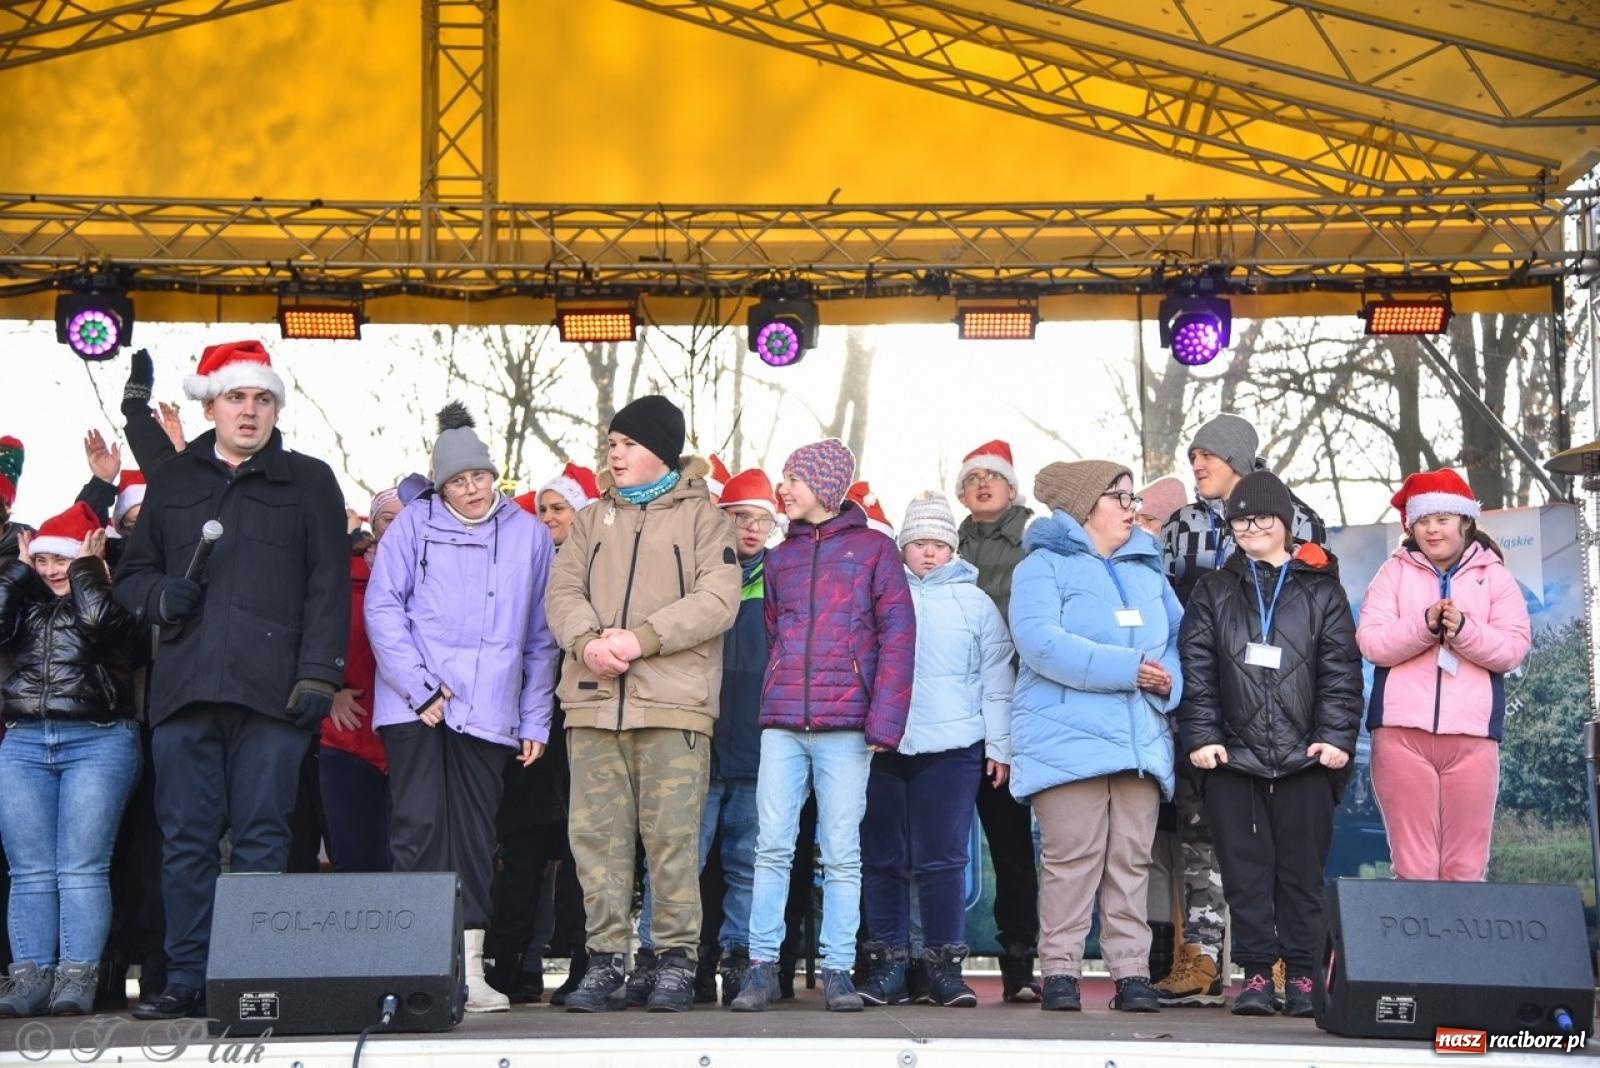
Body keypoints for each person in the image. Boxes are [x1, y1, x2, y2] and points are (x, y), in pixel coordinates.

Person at [114, 340, 350, 1021]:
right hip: (184, 692)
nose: (250, 410)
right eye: (236, 397)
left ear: (276, 408)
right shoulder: (173, 482)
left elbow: (328, 586)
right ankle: (186, 977)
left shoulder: (310, 481)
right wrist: (159, 597)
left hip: (273, 697)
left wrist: (320, 674)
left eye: (262, 398)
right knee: (185, 842)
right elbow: (132, 575)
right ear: (210, 406)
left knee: (263, 839)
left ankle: (251, 978)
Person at [544, 395, 741, 1014]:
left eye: (628, 443)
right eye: (612, 444)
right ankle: (605, 960)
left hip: (673, 705)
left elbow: (718, 600)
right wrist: (586, 643)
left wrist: (640, 640)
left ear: (660, 449)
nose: (616, 454)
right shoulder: (589, 520)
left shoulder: (706, 518)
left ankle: (675, 960)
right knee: (596, 841)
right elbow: (562, 591)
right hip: (593, 704)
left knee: (673, 840)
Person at [366, 404, 560, 1014]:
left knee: (476, 834)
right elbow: (382, 607)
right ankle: (417, 962)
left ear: (494, 475)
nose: (471, 489)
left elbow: (541, 638)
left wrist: (534, 718)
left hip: (489, 705)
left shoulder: (529, 534)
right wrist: (419, 687)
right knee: (418, 827)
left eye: (479, 476)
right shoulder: (412, 525)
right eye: (457, 481)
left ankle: (470, 969)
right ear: (440, 485)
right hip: (415, 704)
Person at [731, 437, 915, 1014]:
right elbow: (775, 634)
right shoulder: (780, 558)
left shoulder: (875, 551)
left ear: (825, 486)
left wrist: (884, 722)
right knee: (771, 847)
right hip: (783, 723)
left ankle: (838, 969)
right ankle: (761, 967)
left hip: (846, 727)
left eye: (793, 479)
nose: (783, 489)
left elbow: (898, 638)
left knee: (841, 852)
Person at [1176, 471, 1363, 1017]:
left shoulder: (1322, 588)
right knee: (1245, 875)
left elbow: (1341, 672)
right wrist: (1203, 736)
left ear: (1284, 521)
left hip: (1307, 760)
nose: (1250, 527)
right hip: (1233, 760)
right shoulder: (1213, 589)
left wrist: (1335, 738)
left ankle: (1302, 976)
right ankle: (1256, 974)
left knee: (1301, 876)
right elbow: (1197, 669)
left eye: (1261, 517)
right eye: (1239, 520)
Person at [1155, 413, 1325, 1009]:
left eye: (1208, 454)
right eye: (1193, 455)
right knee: (1201, 835)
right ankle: (1203, 960)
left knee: (1278, 848)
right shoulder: (1180, 526)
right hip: (1208, 707)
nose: (1197, 464)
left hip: (1283, 713)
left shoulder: (1300, 517)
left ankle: (1277, 965)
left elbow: (1318, 616)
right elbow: (1164, 610)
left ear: (1238, 458)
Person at [1010, 461, 1182, 1014]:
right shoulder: (1042, 566)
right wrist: (1129, 669)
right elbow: (1039, 642)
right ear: (1086, 505)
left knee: (1131, 862)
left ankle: (1132, 974)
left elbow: (1177, 641)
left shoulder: (1149, 571)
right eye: (1120, 497)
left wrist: (1169, 683)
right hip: (1067, 743)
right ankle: (1060, 970)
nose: (1133, 508)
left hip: (1139, 742)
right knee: (1072, 861)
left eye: (1133, 498)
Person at [858, 492, 1012, 1009]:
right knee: (883, 858)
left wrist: (999, 745)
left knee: (943, 860)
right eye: (919, 542)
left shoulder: (975, 603)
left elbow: (996, 680)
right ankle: (889, 966)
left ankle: (943, 967)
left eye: (939, 544)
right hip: (882, 747)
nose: (929, 552)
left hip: (953, 749)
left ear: (953, 549)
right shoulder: (879, 594)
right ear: (902, 546)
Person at [0, 504, 144, 1016]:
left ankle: (77, 975)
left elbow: (100, 622)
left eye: (60, 560)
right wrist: (16, 573)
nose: (50, 570)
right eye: (41, 560)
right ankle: (30, 976)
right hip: (24, 742)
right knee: (29, 870)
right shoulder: (25, 604)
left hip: (98, 740)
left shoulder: (112, 598)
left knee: (81, 866)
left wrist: (89, 570)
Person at [1357, 468, 1531, 883]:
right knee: (1413, 868)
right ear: (1411, 526)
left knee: (1466, 869)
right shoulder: (1392, 572)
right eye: (1422, 521)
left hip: (1473, 740)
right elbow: (1371, 642)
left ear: (1465, 522)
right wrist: (1425, 624)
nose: (1432, 529)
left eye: (1442, 519)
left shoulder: (1496, 576)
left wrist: (1464, 630)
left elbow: (1512, 649)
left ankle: (1466, 932)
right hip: (1401, 737)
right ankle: (1415, 930)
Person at [485, 461, 599, 1005]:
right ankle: (511, 965)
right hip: (528, 721)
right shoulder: (525, 562)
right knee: (523, 850)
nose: (549, 516)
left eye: (560, 508)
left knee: (581, 854)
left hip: (580, 717)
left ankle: (582, 964)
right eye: (544, 509)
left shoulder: (599, 565)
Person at [952, 438, 1042, 1001]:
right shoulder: (941, 544)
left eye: (992, 477)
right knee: (934, 847)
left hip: (1010, 711)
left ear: (1012, 488)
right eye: (971, 479)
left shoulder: (1036, 541)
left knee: (1011, 846)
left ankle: (1019, 963)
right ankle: (926, 958)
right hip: (946, 712)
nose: (982, 484)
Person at [318, 486, 402, 874]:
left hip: (414, 739)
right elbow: (312, 636)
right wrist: (329, 690)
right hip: (349, 736)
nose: (397, 526)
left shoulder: (437, 576)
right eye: (388, 518)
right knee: (355, 861)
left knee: (408, 862)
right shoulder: (338, 576)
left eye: (406, 517)